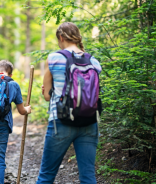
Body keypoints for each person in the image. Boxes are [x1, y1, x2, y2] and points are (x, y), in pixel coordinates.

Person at [37, 22, 102, 184]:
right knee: (88, 177)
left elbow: (47, 96)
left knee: (46, 176)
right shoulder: (93, 61)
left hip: (61, 121)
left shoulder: (54, 58)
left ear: (61, 37)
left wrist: (46, 90)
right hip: (89, 122)